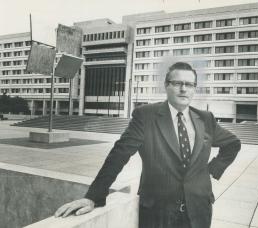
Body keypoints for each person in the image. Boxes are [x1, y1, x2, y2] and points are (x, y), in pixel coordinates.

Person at [55, 62, 241, 228]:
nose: (184, 89)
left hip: (199, 210)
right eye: (177, 83)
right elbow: (119, 154)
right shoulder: (146, 116)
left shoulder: (205, 118)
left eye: (189, 84)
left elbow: (233, 143)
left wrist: (211, 169)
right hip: (157, 213)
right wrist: (93, 196)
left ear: (194, 89)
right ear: (166, 86)